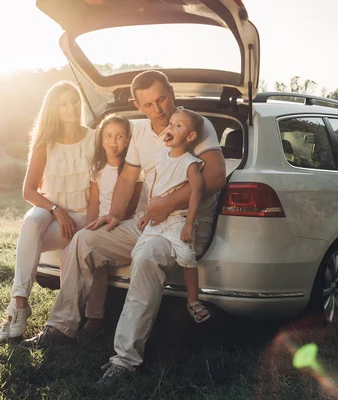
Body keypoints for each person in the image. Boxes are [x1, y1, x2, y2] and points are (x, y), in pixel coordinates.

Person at [21, 70, 226, 385]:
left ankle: (124, 361)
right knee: (83, 240)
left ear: (172, 93)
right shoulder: (141, 131)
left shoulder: (196, 124)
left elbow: (214, 177)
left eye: (162, 99)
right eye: (148, 104)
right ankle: (62, 328)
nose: (158, 110)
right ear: (138, 105)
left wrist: (167, 204)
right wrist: (115, 215)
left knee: (145, 259)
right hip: (146, 222)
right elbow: (129, 178)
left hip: (184, 227)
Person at [0, 81, 95, 342]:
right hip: (51, 211)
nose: (71, 106)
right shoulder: (45, 142)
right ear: (54, 109)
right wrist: (55, 209)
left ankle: (13, 314)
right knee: (30, 225)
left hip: (81, 216)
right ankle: (19, 304)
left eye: (74, 100)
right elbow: (29, 191)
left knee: (32, 235)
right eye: (63, 103)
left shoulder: (94, 138)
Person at [135, 108, 210, 324]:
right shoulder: (160, 157)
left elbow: (196, 193)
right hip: (158, 219)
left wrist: (188, 224)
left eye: (178, 126)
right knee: (138, 254)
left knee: (187, 256)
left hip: (178, 218)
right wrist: (147, 215)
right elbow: (156, 190)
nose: (170, 128)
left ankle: (193, 301)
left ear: (190, 137)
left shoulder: (190, 163)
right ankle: (143, 297)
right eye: (170, 124)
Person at [78, 114, 143, 343]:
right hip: (101, 223)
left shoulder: (134, 169)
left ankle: (94, 318)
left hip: (123, 223)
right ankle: (85, 314)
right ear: (101, 140)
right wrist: (90, 224)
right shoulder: (97, 169)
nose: (113, 142)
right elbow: (94, 202)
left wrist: (110, 222)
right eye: (108, 136)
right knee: (92, 258)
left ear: (127, 141)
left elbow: (131, 206)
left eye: (119, 137)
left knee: (98, 257)